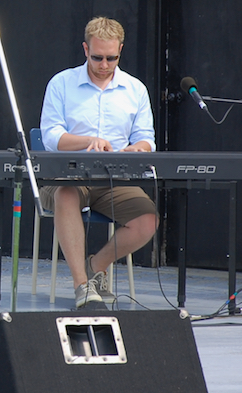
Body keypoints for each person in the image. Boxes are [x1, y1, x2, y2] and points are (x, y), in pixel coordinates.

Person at [39, 16, 158, 309]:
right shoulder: (62, 83)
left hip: (113, 179)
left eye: (111, 58)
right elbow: (51, 136)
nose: (104, 65)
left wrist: (136, 150)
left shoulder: (135, 89)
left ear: (120, 50)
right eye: (97, 57)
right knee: (66, 195)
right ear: (84, 49)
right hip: (66, 177)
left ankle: (96, 266)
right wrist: (87, 140)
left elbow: (147, 138)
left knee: (148, 220)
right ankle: (82, 286)